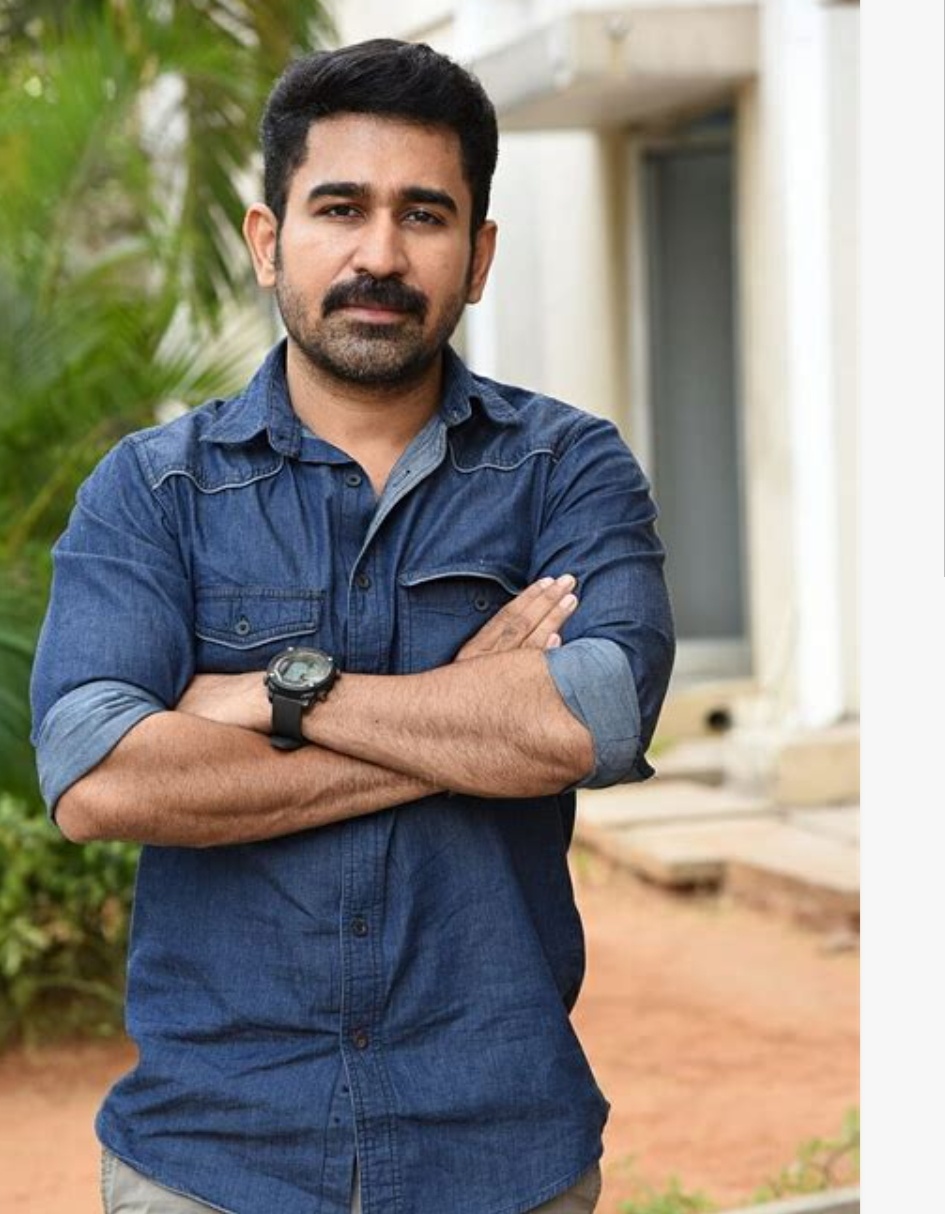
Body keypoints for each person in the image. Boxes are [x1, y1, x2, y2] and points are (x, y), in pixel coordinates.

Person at [30, 37, 674, 1214]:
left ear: (479, 256)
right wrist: (469, 721)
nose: (381, 253)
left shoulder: (566, 468)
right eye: (340, 208)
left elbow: (596, 716)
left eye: (424, 214)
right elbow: (98, 776)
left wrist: (278, 695)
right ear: (268, 239)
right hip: (213, 1160)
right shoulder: (154, 490)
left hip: (499, 1154)